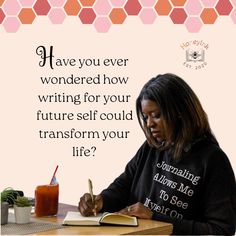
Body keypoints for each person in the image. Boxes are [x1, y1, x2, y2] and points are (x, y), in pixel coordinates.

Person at [78, 73, 236, 235]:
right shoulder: (151, 148)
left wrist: (155, 217)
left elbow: (222, 230)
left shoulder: (213, 160)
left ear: (179, 112)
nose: (149, 124)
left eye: (156, 116)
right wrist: (100, 201)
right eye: (145, 117)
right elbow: (122, 188)